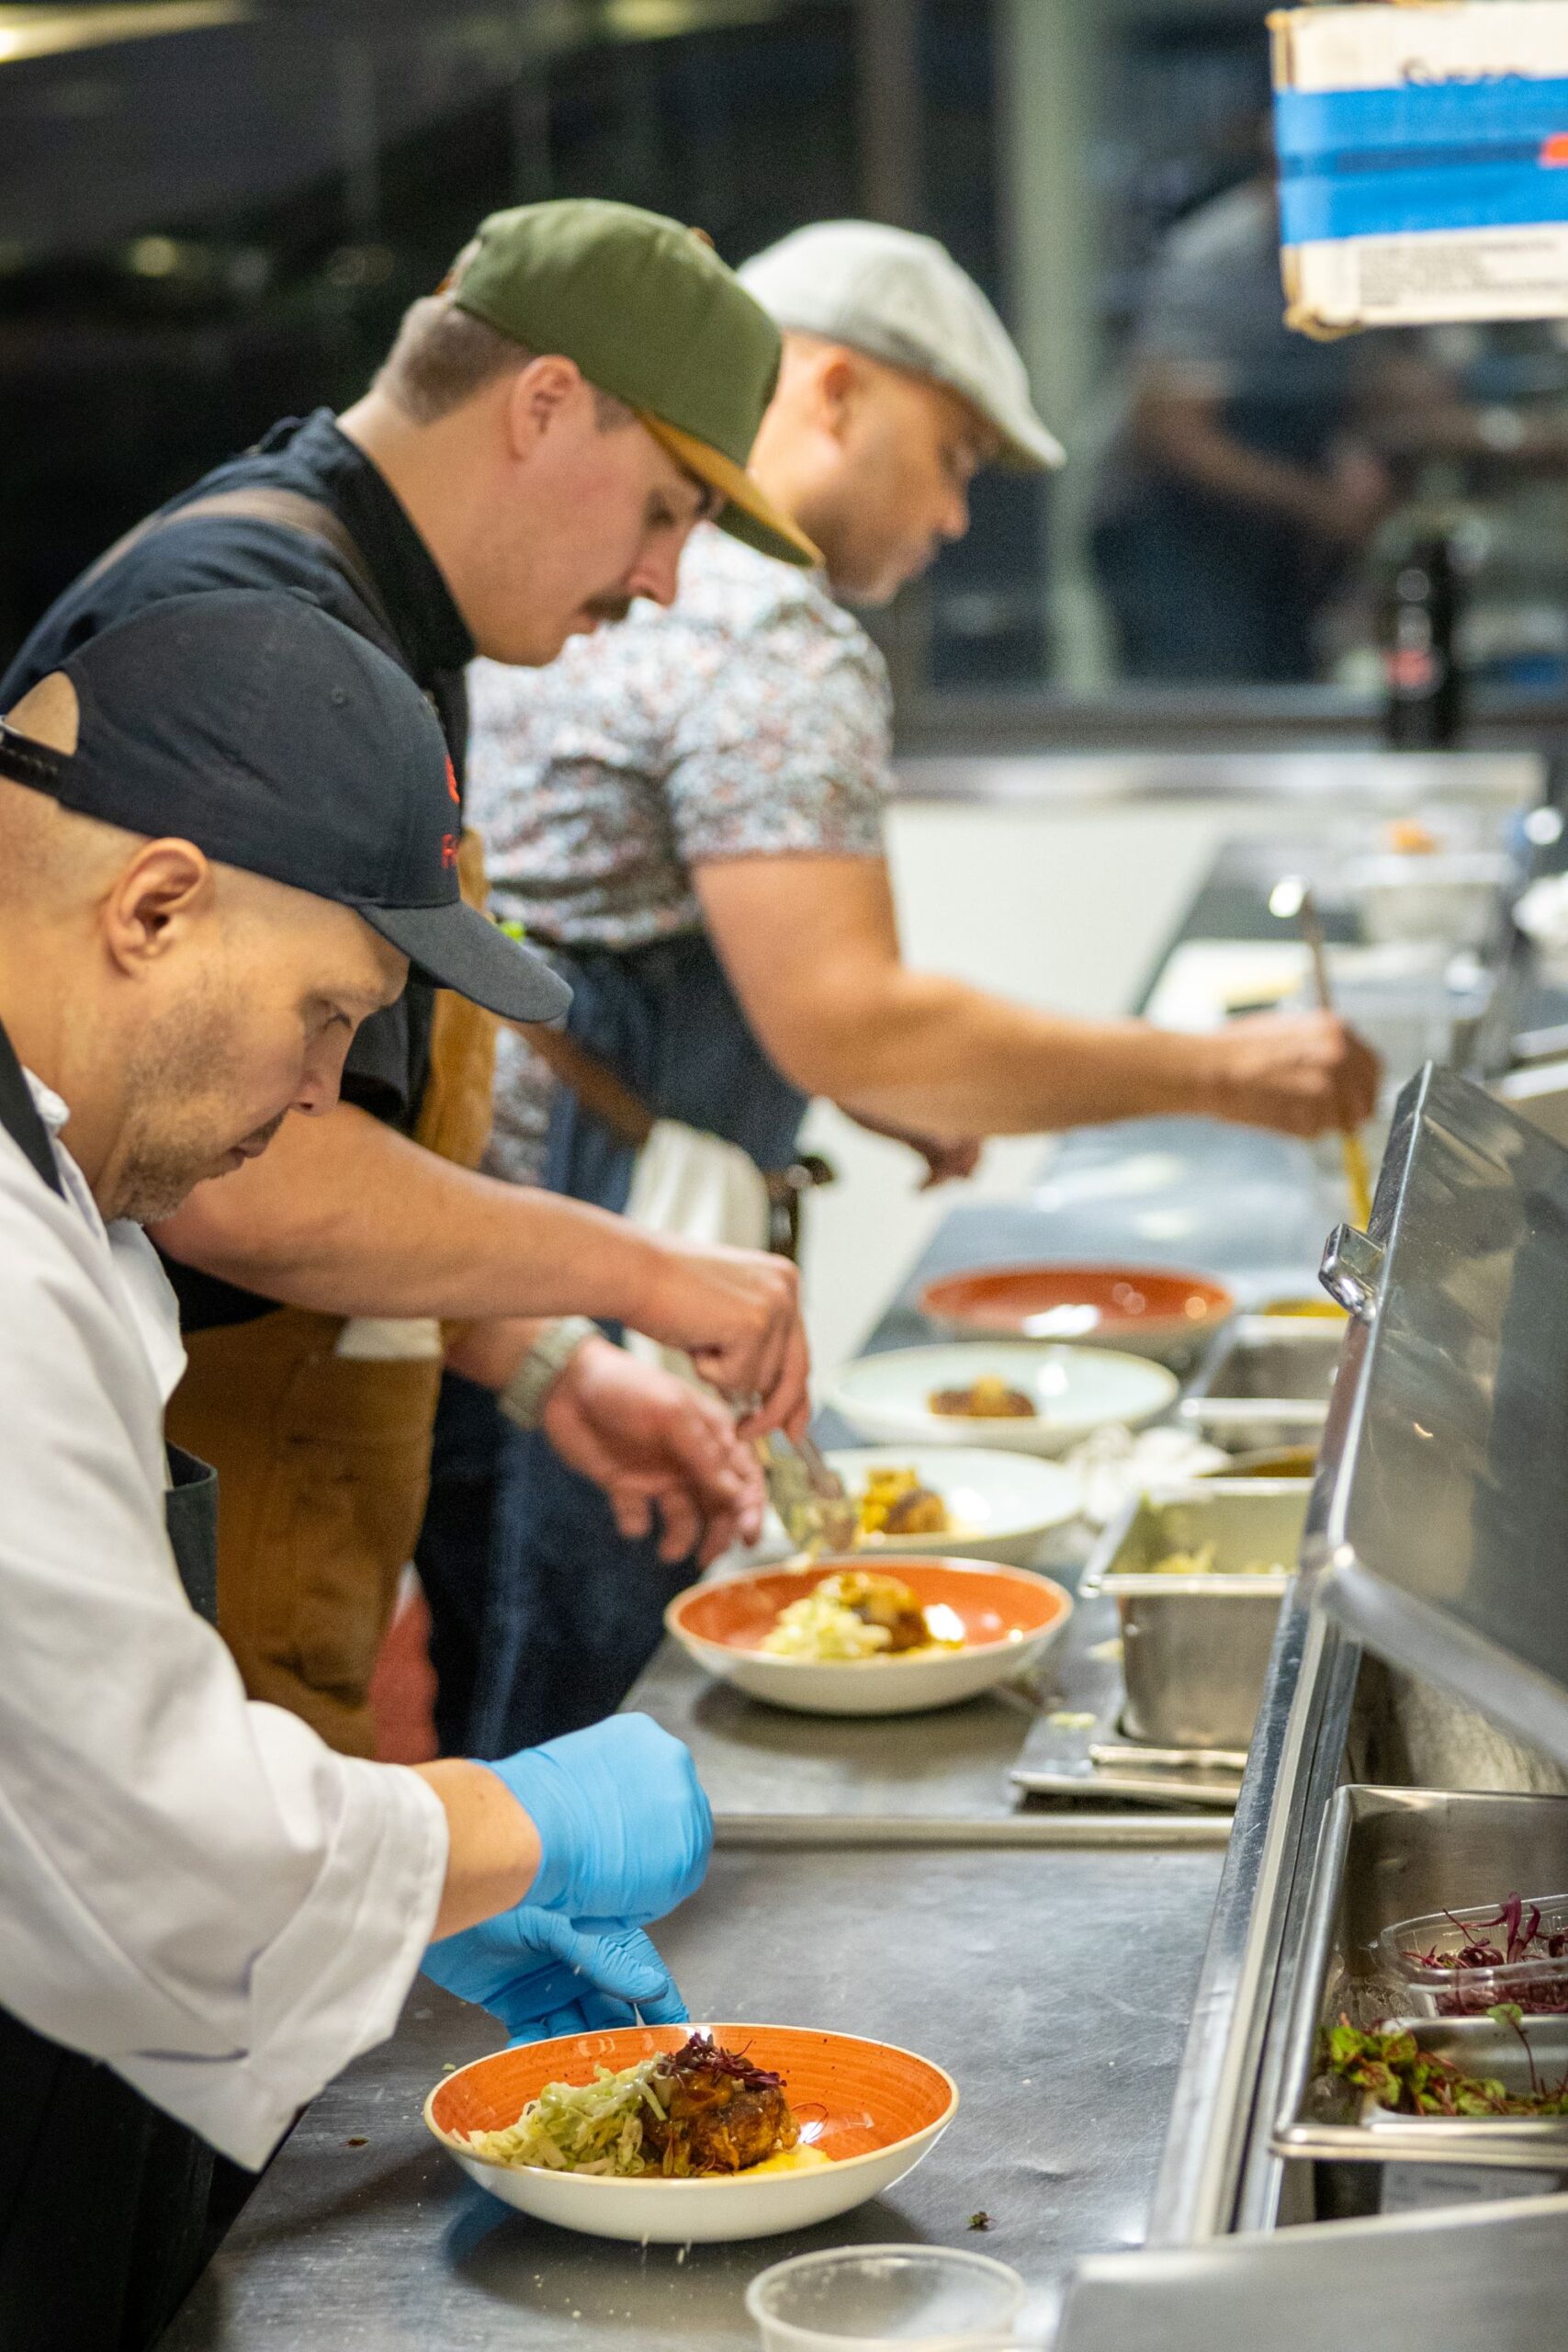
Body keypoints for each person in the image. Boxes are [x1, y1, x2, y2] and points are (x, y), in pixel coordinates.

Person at [427, 218, 1382, 1756]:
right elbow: (846, 1012)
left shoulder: (630, 588)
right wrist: (1224, 1071)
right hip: (591, 1231)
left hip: (475, 1233)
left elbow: (688, 942)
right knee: (584, 1719)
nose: (950, 518)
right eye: (948, 457)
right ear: (836, 389)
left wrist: (854, 1070)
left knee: (503, 1681)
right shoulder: (766, 628)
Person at [0, 198, 816, 1756]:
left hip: (286, 1507)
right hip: (168, 1524)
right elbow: (232, 1166)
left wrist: (541, 1358)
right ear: (542, 403)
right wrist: (641, 1277)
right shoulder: (251, 630)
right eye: (663, 512)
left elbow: (318, 1119)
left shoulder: (368, 606)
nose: (660, 583)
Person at [0, 590, 711, 2352]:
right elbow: (172, 1851)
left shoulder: (67, 1198)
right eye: (328, 1016)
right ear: (156, 907)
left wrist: (400, 1897)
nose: (326, 1096)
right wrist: (503, 1826)